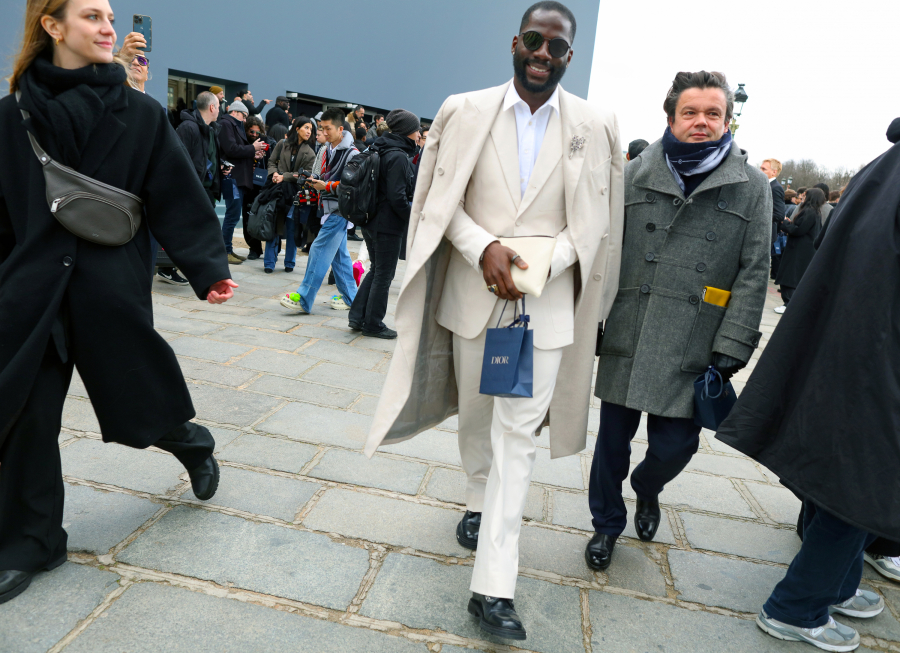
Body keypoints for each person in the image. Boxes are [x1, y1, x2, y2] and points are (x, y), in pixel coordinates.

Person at [364, 2, 624, 640]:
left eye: (555, 46)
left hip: (546, 309)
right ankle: (478, 502)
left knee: (517, 442)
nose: (542, 53)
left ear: (570, 55)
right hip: (474, 302)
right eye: (532, 40)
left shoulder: (597, 124)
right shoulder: (464, 109)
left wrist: (538, 261)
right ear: (516, 42)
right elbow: (435, 203)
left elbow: (597, 222)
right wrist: (484, 246)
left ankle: (494, 585)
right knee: (479, 428)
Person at [0, 0, 238, 605]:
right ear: (52, 27)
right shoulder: (10, 117)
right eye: (91, 16)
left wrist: (207, 267)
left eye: (108, 16)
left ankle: (191, 442)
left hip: (108, 286)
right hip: (30, 292)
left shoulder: (142, 115)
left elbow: (175, 193)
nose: (110, 28)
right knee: (26, 414)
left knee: (138, 397)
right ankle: (32, 540)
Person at [716, 116, 900, 653]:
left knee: (844, 470)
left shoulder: (882, 166)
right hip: (880, 356)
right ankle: (796, 606)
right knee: (869, 483)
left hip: (853, 346)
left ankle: (837, 585)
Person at [587, 70, 771, 573]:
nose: (701, 122)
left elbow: (755, 271)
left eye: (713, 113)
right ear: (671, 117)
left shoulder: (752, 187)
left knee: (675, 446)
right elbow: (603, 247)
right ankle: (606, 525)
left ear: (727, 120)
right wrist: (592, 321)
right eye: (690, 112)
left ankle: (648, 488)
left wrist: (734, 343)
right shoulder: (635, 173)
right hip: (631, 325)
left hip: (695, 339)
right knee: (609, 444)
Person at [279, 107, 359, 314]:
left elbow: (352, 186)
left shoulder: (352, 153)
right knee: (339, 258)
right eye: (321, 128)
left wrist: (327, 186)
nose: (323, 132)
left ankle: (304, 298)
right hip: (329, 208)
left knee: (318, 249)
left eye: (327, 128)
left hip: (340, 210)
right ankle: (354, 300)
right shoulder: (329, 149)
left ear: (340, 128)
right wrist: (318, 182)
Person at [347, 109, 418, 339]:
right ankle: (373, 324)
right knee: (384, 274)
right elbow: (398, 197)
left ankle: (358, 317)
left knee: (376, 270)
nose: (419, 134)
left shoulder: (379, 146)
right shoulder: (397, 155)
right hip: (387, 224)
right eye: (416, 129)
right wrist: (413, 217)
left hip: (370, 219)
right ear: (407, 131)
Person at [167, 90, 223, 286]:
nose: (220, 109)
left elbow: (205, 158)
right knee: (188, 232)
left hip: (205, 190)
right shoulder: (188, 128)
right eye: (218, 105)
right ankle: (168, 267)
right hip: (190, 191)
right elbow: (176, 159)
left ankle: (196, 269)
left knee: (201, 232)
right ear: (211, 107)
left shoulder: (210, 129)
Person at [218, 100, 267, 264]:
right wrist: (253, 148)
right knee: (232, 215)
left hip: (236, 177)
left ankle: (228, 249)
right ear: (236, 112)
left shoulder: (231, 125)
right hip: (232, 177)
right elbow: (231, 149)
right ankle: (225, 250)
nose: (245, 120)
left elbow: (237, 151)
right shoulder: (226, 124)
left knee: (232, 215)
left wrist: (253, 153)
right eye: (244, 116)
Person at [265, 117, 317, 273]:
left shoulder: (310, 152)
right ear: (297, 128)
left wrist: (284, 176)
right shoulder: (282, 144)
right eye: (306, 128)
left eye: (311, 129)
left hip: (296, 193)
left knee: (293, 226)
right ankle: (269, 262)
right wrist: (274, 173)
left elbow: (305, 175)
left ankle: (290, 262)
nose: (309, 131)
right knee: (274, 225)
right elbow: (271, 161)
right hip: (277, 190)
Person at [773, 187, 823, 314]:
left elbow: (798, 230)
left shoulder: (809, 212)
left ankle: (788, 304)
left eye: (805, 195)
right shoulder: (814, 212)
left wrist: (785, 223)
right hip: (802, 249)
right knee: (793, 276)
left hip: (799, 250)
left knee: (791, 276)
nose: (802, 197)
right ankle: (788, 303)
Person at [241, 115, 272, 260]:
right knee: (248, 217)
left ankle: (269, 249)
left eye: (257, 133)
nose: (254, 135)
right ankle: (254, 248)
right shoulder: (243, 143)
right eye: (251, 132)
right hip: (247, 184)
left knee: (264, 217)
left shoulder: (267, 143)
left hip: (263, 185)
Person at [760, 158, 786, 281]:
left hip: (764, 234)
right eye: (760, 168)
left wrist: (757, 215)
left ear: (774, 172)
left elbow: (779, 214)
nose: (760, 170)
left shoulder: (775, 188)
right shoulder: (765, 184)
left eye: (764, 169)